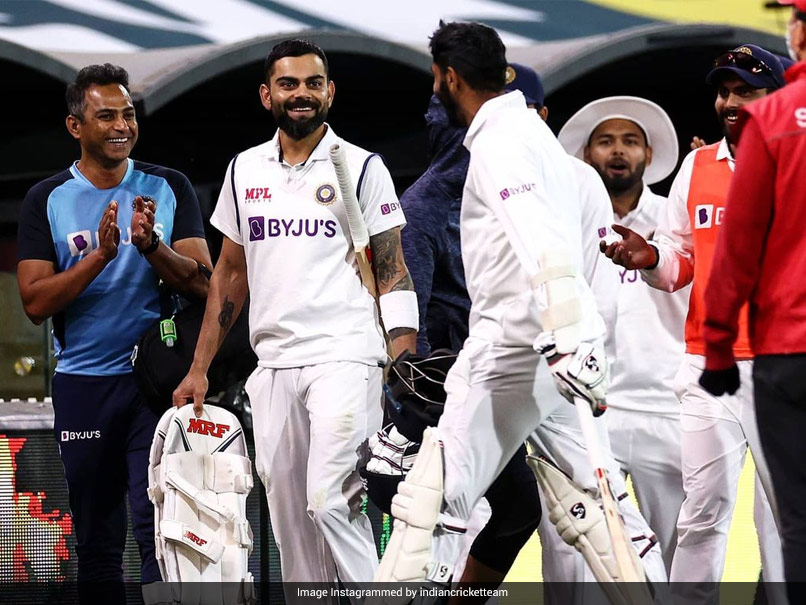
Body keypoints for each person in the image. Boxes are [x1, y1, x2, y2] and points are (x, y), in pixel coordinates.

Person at [378, 21, 633, 589]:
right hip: (552, 351)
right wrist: (576, 336)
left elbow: (537, 235)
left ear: (449, 77)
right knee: (603, 507)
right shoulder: (535, 135)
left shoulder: (497, 142)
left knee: (426, 500)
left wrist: (568, 332)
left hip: (515, 347)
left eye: (434, 82)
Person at [172, 39, 416, 599]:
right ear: (267, 95)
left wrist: (402, 360)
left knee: (331, 499)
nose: (301, 93)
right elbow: (231, 274)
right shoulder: (243, 169)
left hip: (346, 355)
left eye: (312, 83)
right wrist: (199, 367)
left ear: (330, 92)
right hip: (274, 364)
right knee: (291, 526)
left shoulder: (361, 166)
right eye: (288, 84)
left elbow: (392, 269)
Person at [15, 64, 211, 603]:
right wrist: (99, 257)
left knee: (162, 535)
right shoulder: (46, 199)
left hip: (156, 386)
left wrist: (153, 248)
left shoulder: (167, 186)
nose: (122, 125)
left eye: (128, 113)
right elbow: (34, 302)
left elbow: (204, 284)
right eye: (107, 116)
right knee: (98, 542)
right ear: (75, 126)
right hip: (84, 387)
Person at [599, 44, 786, 604]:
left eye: (745, 91)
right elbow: (681, 261)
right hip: (710, 364)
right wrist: (650, 258)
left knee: (782, 520)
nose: (729, 101)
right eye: (724, 91)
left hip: (784, 367)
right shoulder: (698, 168)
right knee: (703, 511)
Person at [558, 95, 688, 573]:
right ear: (587, 154)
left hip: (665, 406)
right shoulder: (568, 219)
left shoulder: (678, 219)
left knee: (679, 556)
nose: (618, 151)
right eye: (606, 141)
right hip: (586, 411)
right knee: (577, 555)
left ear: (648, 156)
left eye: (630, 141)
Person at [702, 2, 806, 600]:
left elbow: (737, 250)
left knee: (798, 522)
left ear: (797, 35)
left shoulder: (775, 120)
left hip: (788, 353)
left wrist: (718, 348)